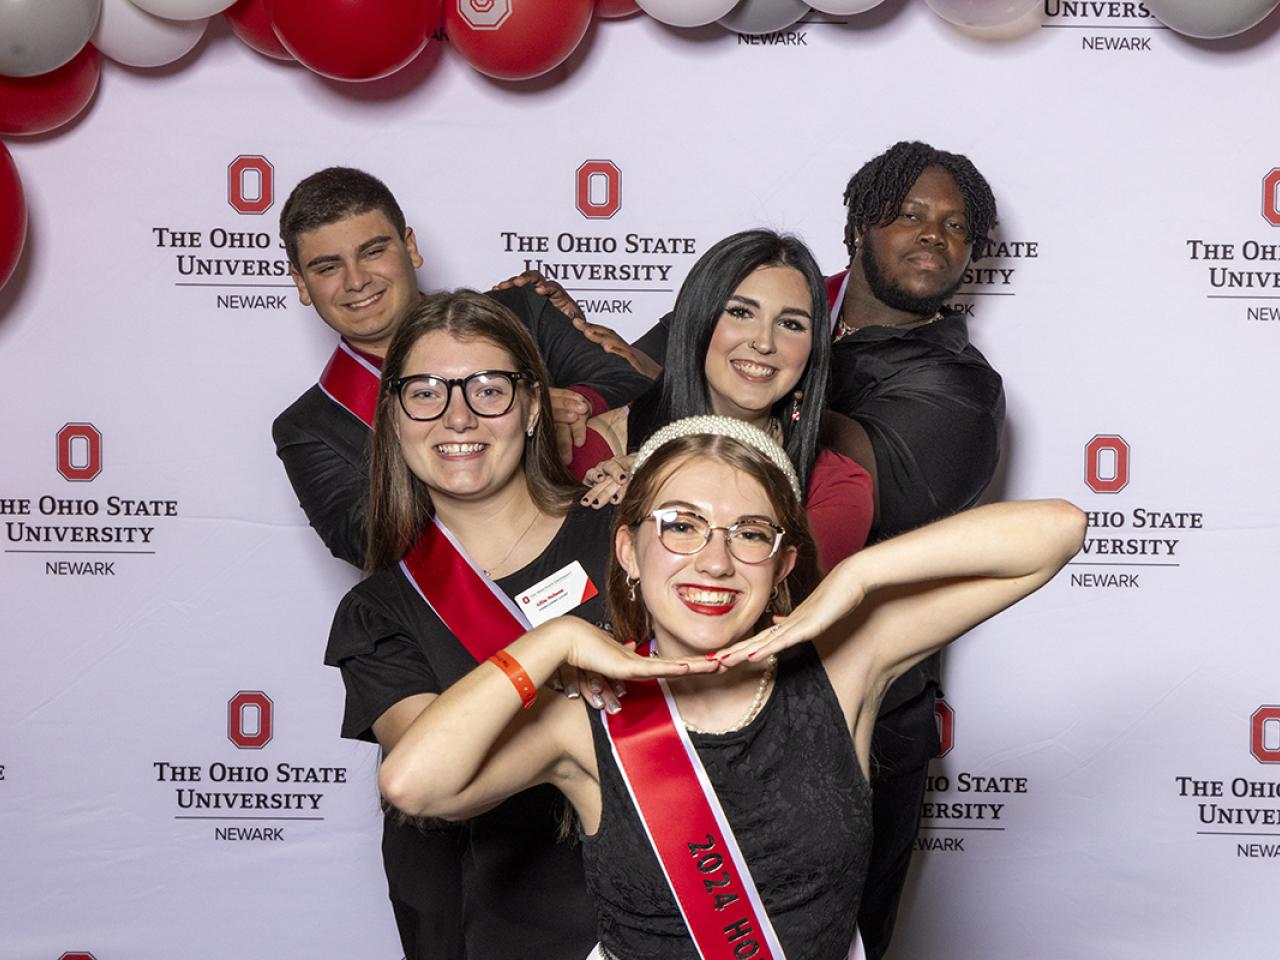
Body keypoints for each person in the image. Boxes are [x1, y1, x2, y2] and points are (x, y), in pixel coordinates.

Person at [377, 415, 1085, 960]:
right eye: (681, 526)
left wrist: (856, 576)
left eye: (750, 534)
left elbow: (1058, 529)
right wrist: (553, 640)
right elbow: (413, 783)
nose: (715, 561)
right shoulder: (587, 715)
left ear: (782, 564)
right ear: (628, 548)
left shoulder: (843, 667)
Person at [535, 141, 1004, 957]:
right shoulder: (784, 292)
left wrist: (651, 461)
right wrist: (591, 393)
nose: (934, 236)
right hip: (644, 727)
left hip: (829, 713)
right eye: (911, 214)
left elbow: (794, 553)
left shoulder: (952, 390)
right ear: (859, 225)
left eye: (956, 226)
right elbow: (648, 372)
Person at [325, 290, 629, 960]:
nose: (457, 415)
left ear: (529, 410)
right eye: (426, 392)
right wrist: (561, 667)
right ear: (396, 418)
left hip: (642, 902)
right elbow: (429, 780)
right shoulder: (380, 609)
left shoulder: (627, 543)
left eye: (488, 389)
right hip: (478, 922)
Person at [272, 166, 653, 568]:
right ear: (301, 283)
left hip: (611, 564)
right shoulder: (309, 427)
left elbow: (635, 385)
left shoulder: (521, 309)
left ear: (410, 247)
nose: (356, 281)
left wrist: (571, 406)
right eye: (328, 267)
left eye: (373, 251)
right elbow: (367, 541)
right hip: (474, 618)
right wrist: (497, 433)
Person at [570, 229, 874, 573]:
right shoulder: (597, 447)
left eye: (790, 324)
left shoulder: (837, 484)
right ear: (697, 321)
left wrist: (669, 471)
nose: (764, 342)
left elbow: (777, 589)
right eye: (741, 313)